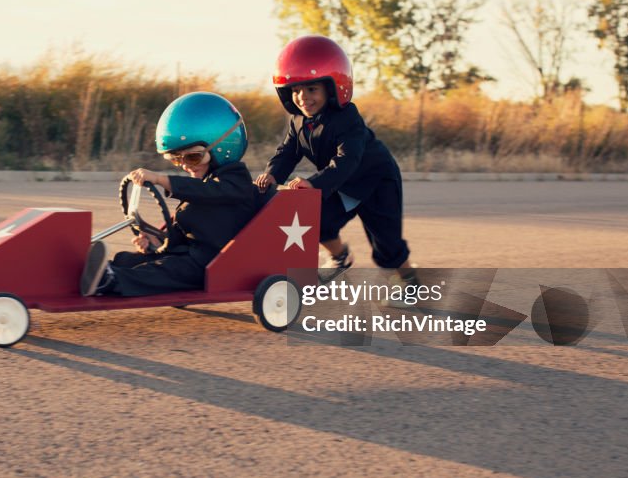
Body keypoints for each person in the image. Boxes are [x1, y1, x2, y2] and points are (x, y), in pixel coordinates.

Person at [254, 35, 416, 280]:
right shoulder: (298, 121)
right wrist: (272, 175)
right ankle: (340, 257)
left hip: (375, 182)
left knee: (387, 243)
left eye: (311, 89)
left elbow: (347, 160)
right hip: (341, 184)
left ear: (333, 88)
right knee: (316, 220)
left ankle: (409, 280)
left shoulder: (347, 118)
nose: (303, 97)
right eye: (296, 90)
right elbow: (287, 152)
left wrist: (314, 183)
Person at [81, 92, 268, 297]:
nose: (186, 166)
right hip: (186, 254)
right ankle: (99, 272)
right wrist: (158, 241)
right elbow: (184, 227)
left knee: (163, 271)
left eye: (193, 157)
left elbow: (210, 192)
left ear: (222, 148)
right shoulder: (201, 182)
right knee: (130, 260)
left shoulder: (236, 181)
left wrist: (162, 180)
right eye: (177, 159)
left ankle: (110, 280)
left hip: (211, 264)